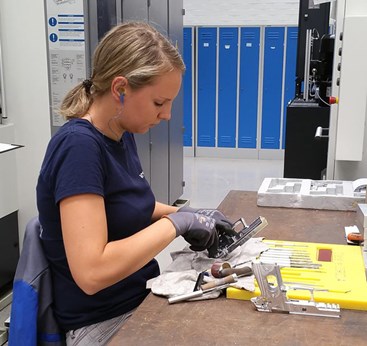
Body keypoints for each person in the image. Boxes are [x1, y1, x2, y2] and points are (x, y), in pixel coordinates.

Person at [36, 21, 233, 345]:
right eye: (159, 103)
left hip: (139, 295)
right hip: (101, 322)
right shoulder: (79, 148)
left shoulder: (119, 133)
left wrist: (196, 214)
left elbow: (123, 206)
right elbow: (91, 272)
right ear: (120, 89)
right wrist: (177, 222)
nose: (167, 114)